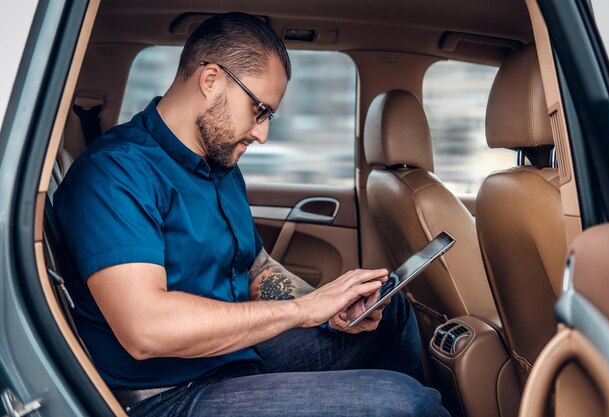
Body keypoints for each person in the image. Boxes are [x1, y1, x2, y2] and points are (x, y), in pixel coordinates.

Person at [54, 12, 450, 417]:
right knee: (407, 404)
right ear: (210, 81)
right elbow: (146, 330)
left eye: (269, 116)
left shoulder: (221, 165)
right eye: (259, 109)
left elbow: (253, 267)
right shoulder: (115, 172)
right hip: (163, 394)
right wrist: (301, 313)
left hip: (230, 359)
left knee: (389, 313)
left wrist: (328, 309)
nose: (262, 133)